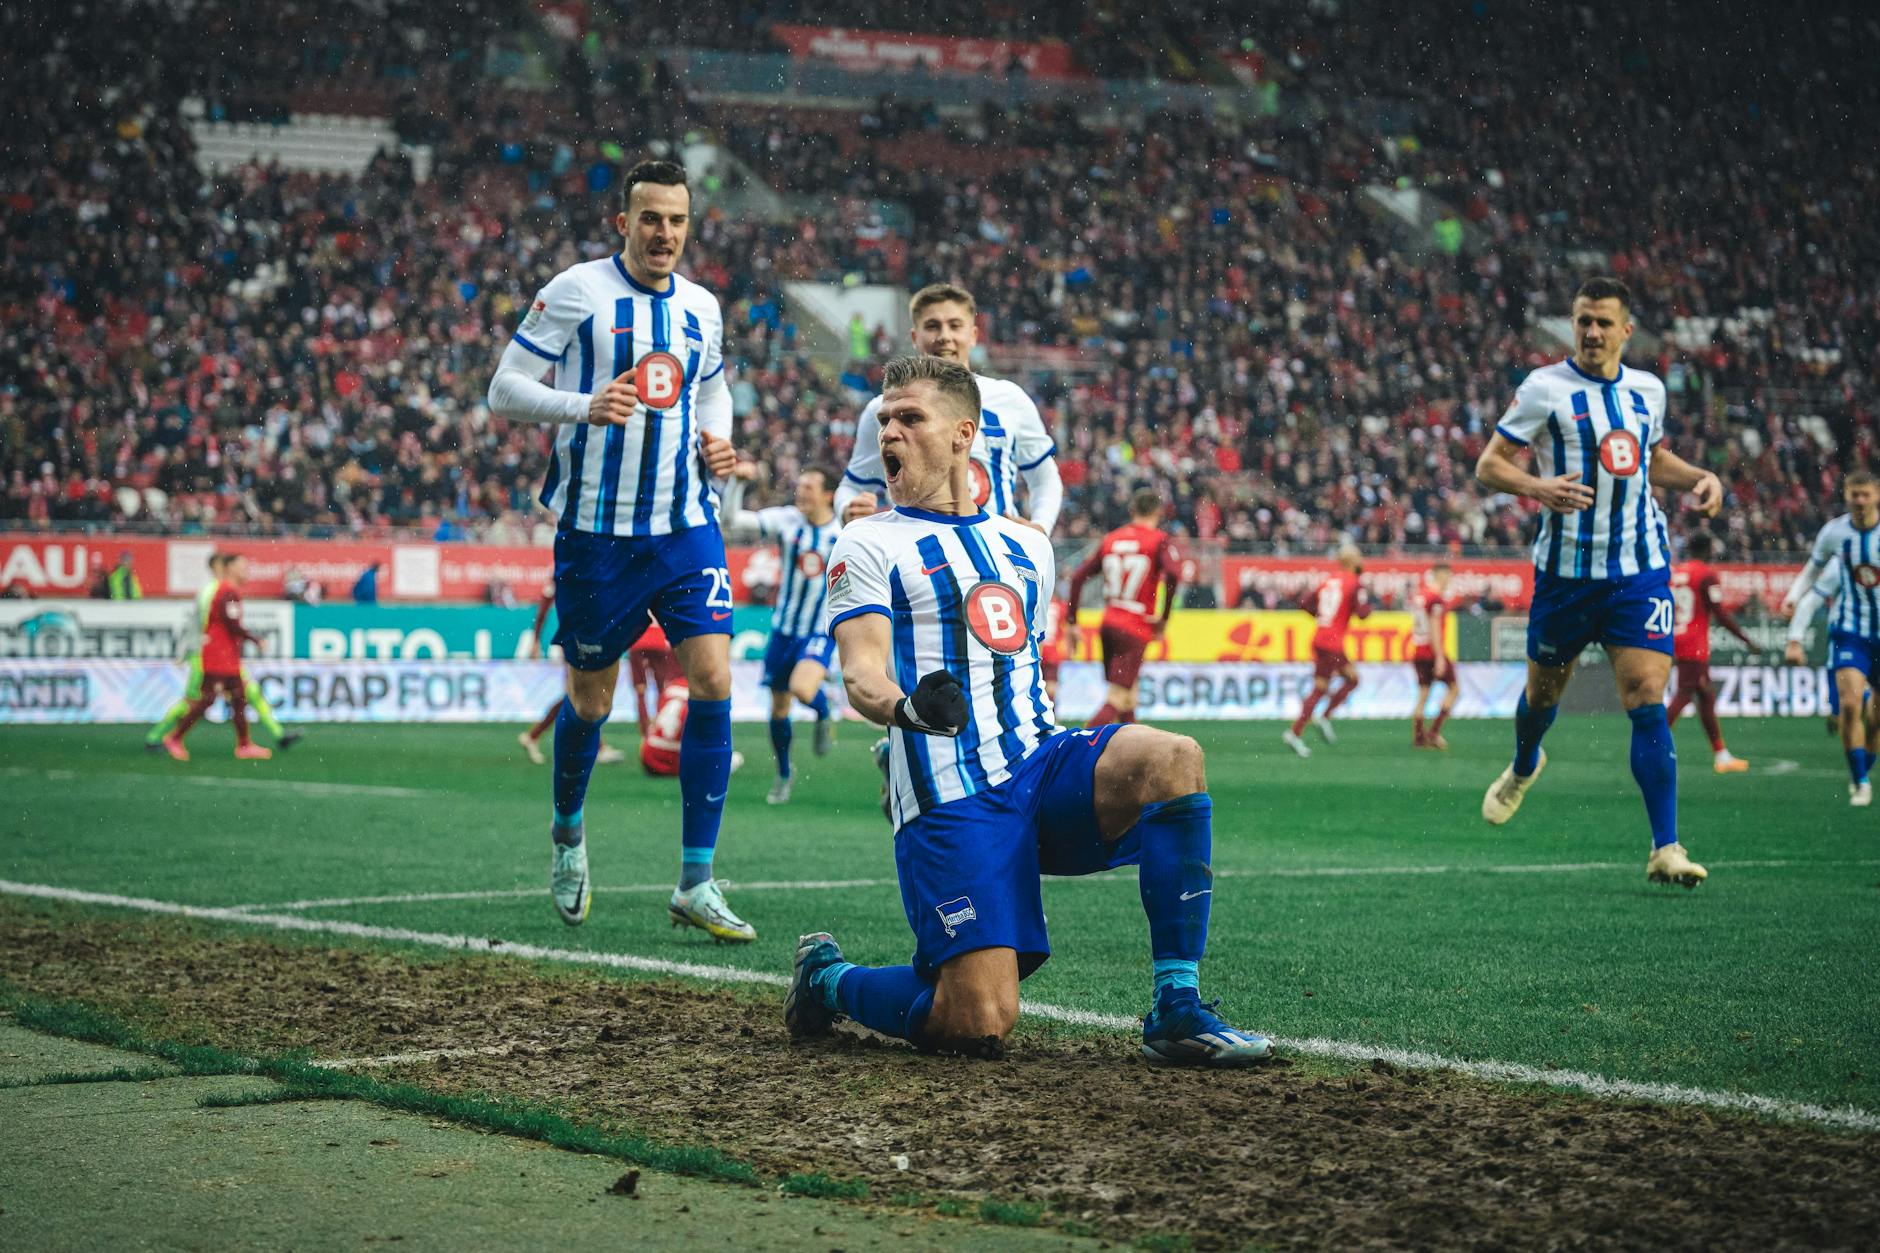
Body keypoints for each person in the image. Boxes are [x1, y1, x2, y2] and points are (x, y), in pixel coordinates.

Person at [785, 354, 1271, 1067]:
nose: (889, 433)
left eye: (909, 418)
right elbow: (861, 673)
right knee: (978, 1020)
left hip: (1039, 765)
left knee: (1174, 758)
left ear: (963, 434)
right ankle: (827, 980)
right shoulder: (866, 541)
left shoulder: (1027, 546)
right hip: (952, 793)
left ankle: (1177, 1006)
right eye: (884, 419)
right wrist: (909, 711)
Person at [486, 158, 751, 939]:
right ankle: (568, 830)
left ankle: (695, 880)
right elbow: (504, 388)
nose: (664, 232)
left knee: (713, 677)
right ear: (623, 222)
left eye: (676, 219)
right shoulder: (577, 291)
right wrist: (583, 403)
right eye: (650, 218)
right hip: (597, 535)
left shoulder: (703, 307)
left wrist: (720, 438)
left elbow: (712, 386)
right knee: (590, 701)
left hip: (683, 525)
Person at [1473, 277, 1723, 886]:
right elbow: (1489, 466)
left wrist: (1696, 477)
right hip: (1565, 574)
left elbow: (1651, 458)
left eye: (1603, 323)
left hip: (1638, 571)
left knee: (1645, 698)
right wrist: (1539, 488)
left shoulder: (1648, 391)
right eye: (1583, 320)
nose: (1591, 332)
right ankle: (1525, 763)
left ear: (1625, 330)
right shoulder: (1543, 388)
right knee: (1543, 697)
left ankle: (1666, 847)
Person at [834, 283, 1061, 536]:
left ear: (973, 335)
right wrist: (847, 510)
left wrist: (1041, 527)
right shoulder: (885, 409)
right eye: (932, 326)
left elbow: (1044, 476)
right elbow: (851, 486)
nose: (944, 336)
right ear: (914, 337)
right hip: (920, 558)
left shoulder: (1009, 399)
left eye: (955, 325)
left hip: (999, 556)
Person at [720, 463, 841, 804]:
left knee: (802, 689)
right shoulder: (788, 521)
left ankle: (822, 709)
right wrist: (736, 484)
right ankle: (784, 773)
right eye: (799, 487)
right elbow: (732, 521)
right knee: (777, 709)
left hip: (818, 630)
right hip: (784, 630)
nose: (801, 493)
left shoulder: (843, 533)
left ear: (828, 495)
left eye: (809, 488)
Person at [1780, 470, 1880, 806]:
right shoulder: (1835, 533)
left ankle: (1862, 766)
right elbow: (1812, 569)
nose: (1860, 501)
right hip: (1851, 632)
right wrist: (1792, 598)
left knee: (1877, 719)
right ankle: (1861, 780)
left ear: (1876, 495)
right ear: (1847, 495)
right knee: (1851, 706)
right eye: (1855, 494)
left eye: (1866, 494)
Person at [146, 553, 298, 754]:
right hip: (209, 654)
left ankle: (271, 737)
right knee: (197, 700)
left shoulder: (221, 590)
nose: (245, 571)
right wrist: (190, 649)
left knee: (245, 693)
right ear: (221, 568)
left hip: (224, 654)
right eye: (240, 566)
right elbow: (205, 623)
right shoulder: (215, 590)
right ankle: (160, 736)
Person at [1065, 488, 1182, 727]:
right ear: (1158, 512)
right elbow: (1173, 573)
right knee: (1117, 697)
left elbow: (1078, 578)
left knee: (1129, 695)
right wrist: (1164, 616)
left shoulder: (1112, 539)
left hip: (1109, 622)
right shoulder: (1158, 540)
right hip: (1135, 625)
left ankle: (1132, 759)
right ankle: (1078, 750)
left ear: (1132, 511)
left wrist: (1072, 622)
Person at [1667, 533, 1756, 772]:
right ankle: (1653, 741)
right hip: (1694, 644)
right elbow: (1720, 614)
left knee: (1705, 696)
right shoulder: (1706, 575)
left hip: (1676, 635)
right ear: (1708, 549)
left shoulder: (1676, 572)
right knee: (1685, 694)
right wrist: (1746, 639)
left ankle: (1721, 755)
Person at [517, 578, 624, 767]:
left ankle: (535, 736)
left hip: (579, 638)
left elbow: (545, 604)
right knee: (581, 695)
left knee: (578, 695)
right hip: (577, 641)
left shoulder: (570, 569)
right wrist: (535, 640)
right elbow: (545, 605)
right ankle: (596, 747)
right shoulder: (569, 571)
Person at [1282, 544, 1370, 758]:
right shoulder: (1354, 583)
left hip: (1320, 638)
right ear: (1350, 561)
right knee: (1341, 683)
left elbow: (1304, 603)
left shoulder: (1327, 581)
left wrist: (1322, 619)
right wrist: (1368, 604)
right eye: (1358, 557)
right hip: (1333, 643)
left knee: (1329, 684)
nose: (1362, 560)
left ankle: (1310, 724)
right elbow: (1362, 614)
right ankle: (1300, 729)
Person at [1409, 564, 1459, 749]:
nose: (1449, 581)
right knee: (1454, 689)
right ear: (1441, 576)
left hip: (1418, 650)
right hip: (1432, 651)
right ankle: (1434, 732)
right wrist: (1439, 657)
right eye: (1448, 577)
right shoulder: (1435, 598)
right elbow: (1434, 628)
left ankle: (1419, 737)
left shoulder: (1420, 596)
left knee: (1423, 693)